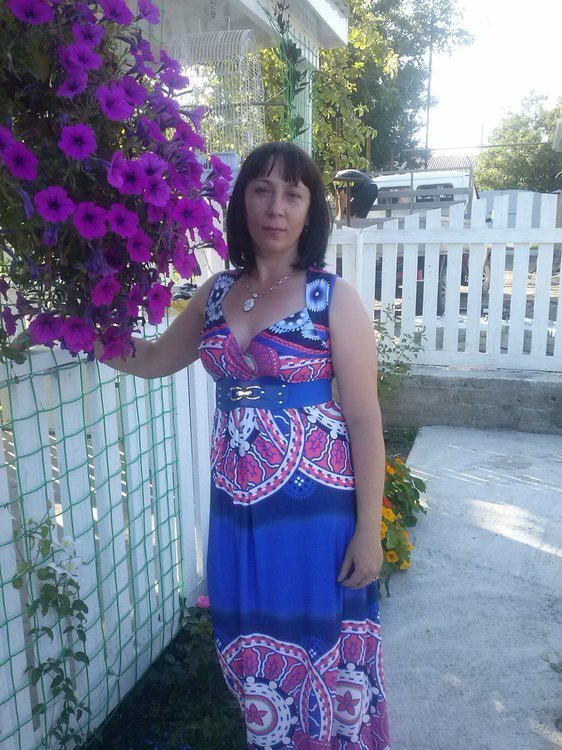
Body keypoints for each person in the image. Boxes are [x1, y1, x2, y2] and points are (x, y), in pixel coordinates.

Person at [98, 141, 390, 749]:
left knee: (319, 648)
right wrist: (84, 327)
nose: (275, 207)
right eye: (262, 190)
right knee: (252, 648)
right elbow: (153, 358)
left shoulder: (331, 297)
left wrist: (369, 530)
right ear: (242, 203)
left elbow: (364, 420)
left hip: (316, 512)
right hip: (238, 505)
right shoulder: (215, 292)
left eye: (292, 194)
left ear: (310, 211)